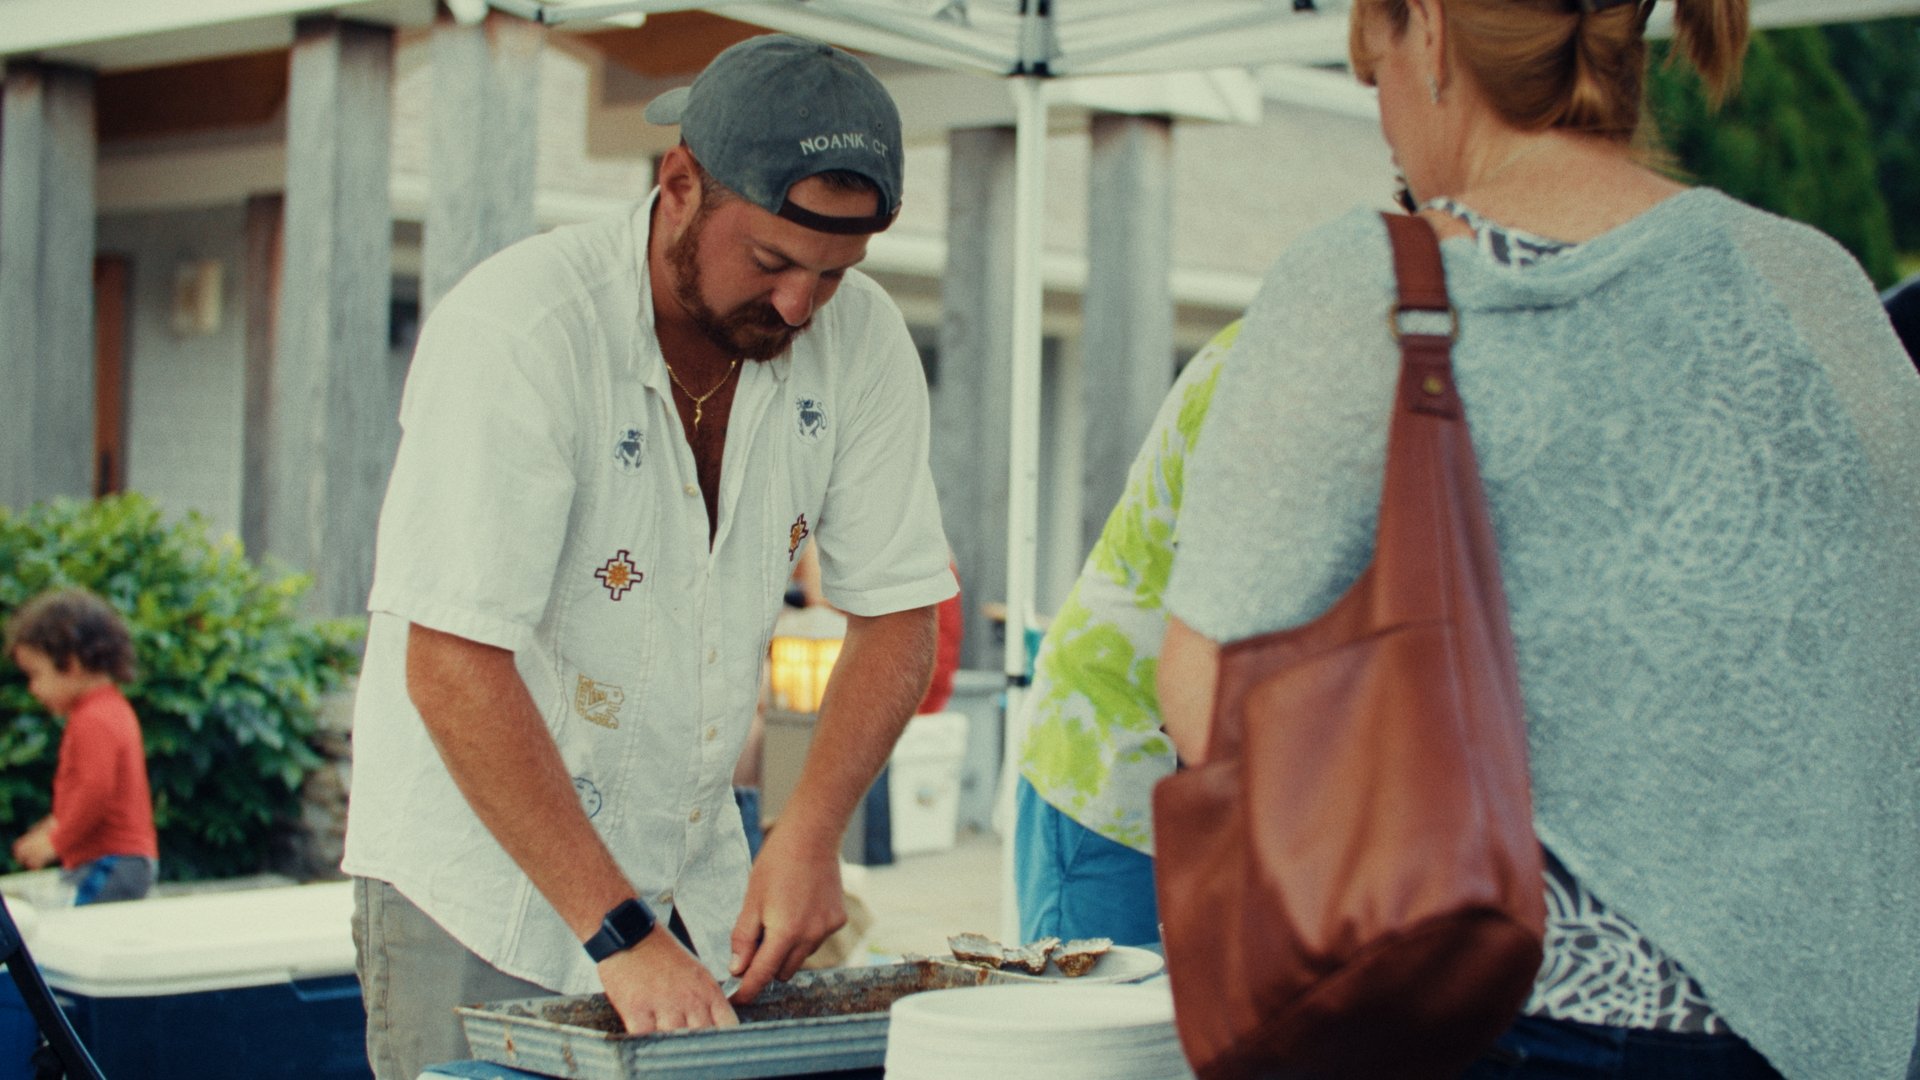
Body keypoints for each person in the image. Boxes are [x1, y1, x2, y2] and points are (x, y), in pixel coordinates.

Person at [1155, 0, 1920, 1077]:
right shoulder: (1820, 284)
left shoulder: (1375, 281)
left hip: (1501, 1014)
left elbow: (1208, 698)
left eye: (1373, 69)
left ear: (1427, 30)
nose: (1383, 118)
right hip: (1820, 1032)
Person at [341, 34, 955, 1078]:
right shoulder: (521, 330)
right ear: (679, 185)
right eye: (771, 262)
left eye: (833, 274)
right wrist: (619, 932)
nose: (800, 306)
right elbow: (450, 663)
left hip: (690, 875)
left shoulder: (863, 341)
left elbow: (899, 613)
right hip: (480, 892)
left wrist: (809, 832)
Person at [1012, 321, 1235, 946]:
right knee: (1094, 1002)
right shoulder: (1261, 371)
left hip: (1193, 773)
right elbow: (1217, 627)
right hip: (1114, 763)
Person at [4, 589, 158, 906]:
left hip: (110, 862)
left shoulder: (93, 719)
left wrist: (55, 842)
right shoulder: (109, 708)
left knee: (64, 927)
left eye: (35, 674)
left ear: (71, 664)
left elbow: (94, 790)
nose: (33, 689)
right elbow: (84, 795)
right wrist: (47, 830)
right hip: (120, 861)